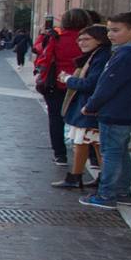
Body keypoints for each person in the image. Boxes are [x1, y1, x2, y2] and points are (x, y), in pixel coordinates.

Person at [79, 12, 131, 209]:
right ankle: (122, 192)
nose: (110, 34)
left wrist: (91, 105)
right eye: (109, 29)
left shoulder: (125, 55)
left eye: (115, 30)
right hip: (128, 109)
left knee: (110, 152)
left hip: (115, 110)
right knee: (120, 151)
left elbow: (108, 84)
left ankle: (107, 194)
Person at [53, 25, 111, 189]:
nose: (81, 42)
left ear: (100, 39)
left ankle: (91, 177)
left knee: (91, 142)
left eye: (86, 39)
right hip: (87, 105)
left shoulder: (101, 56)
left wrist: (68, 79)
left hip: (90, 106)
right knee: (85, 142)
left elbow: (91, 83)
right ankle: (82, 176)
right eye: (79, 39)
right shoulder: (96, 54)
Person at [35, 9, 88, 165]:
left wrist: (40, 77)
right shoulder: (91, 38)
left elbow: (44, 58)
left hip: (58, 83)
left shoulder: (57, 37)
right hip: (83, 83)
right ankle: (91, 157)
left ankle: (60, 155)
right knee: (86, 121)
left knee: (56, 119)